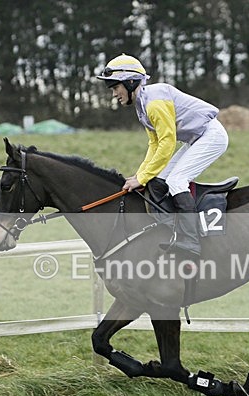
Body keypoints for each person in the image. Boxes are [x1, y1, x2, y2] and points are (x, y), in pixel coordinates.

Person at [97, 54, 229, 259]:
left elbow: (167, 143)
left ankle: (191, 241)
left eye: (116, 88)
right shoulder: (142, 106)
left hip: (211, 136)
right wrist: (140, 176)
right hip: (197, 137)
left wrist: (142, 177)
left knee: (176, 180)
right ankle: (173, 230)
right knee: (158, 181)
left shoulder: (154, 104)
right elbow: (154, 144)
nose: (114, 94)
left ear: (130, 83)